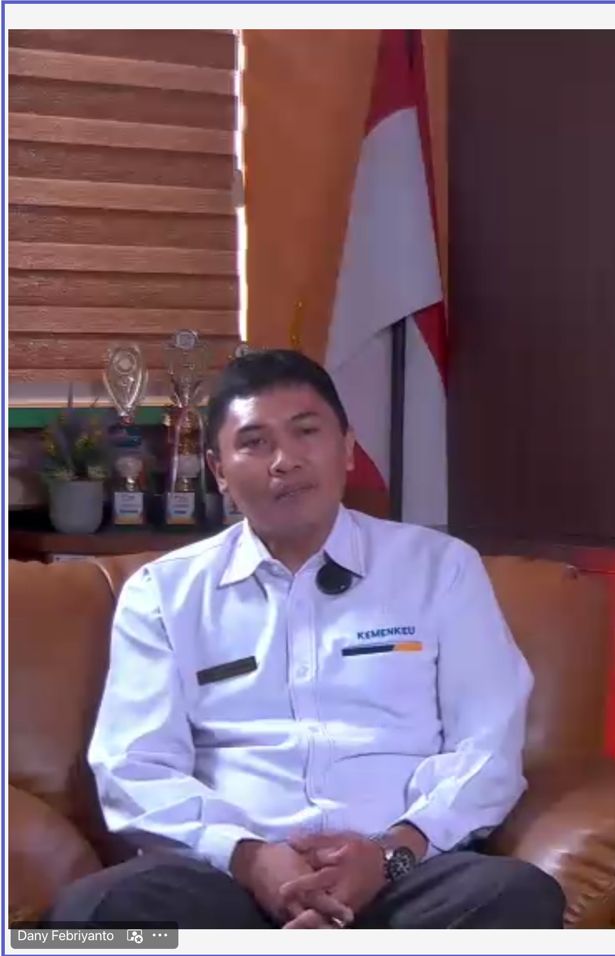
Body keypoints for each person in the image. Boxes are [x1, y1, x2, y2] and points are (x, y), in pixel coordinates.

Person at [51, 350, 565, 929]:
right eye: (254, 443)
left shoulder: (440, 568)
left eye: (306, 432)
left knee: (519, 897)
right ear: (219, 471)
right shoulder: (163, 593)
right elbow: (134, 765)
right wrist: (250, 858)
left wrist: (394, 852)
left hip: (401, 877)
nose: (285, 461)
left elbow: (488, 747)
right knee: (87, 918)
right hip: (227, 884)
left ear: (347, 448)